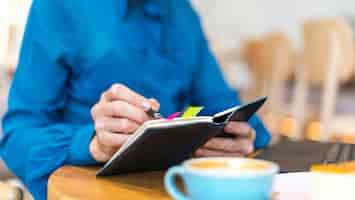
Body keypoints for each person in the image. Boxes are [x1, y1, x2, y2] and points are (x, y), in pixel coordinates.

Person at [0, 0, 271, 199]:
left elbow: (222, 104)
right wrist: (93, 144)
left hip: (177, 189)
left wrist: (240, 138)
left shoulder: (184, 13)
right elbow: (17, 135)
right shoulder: (58, 7)